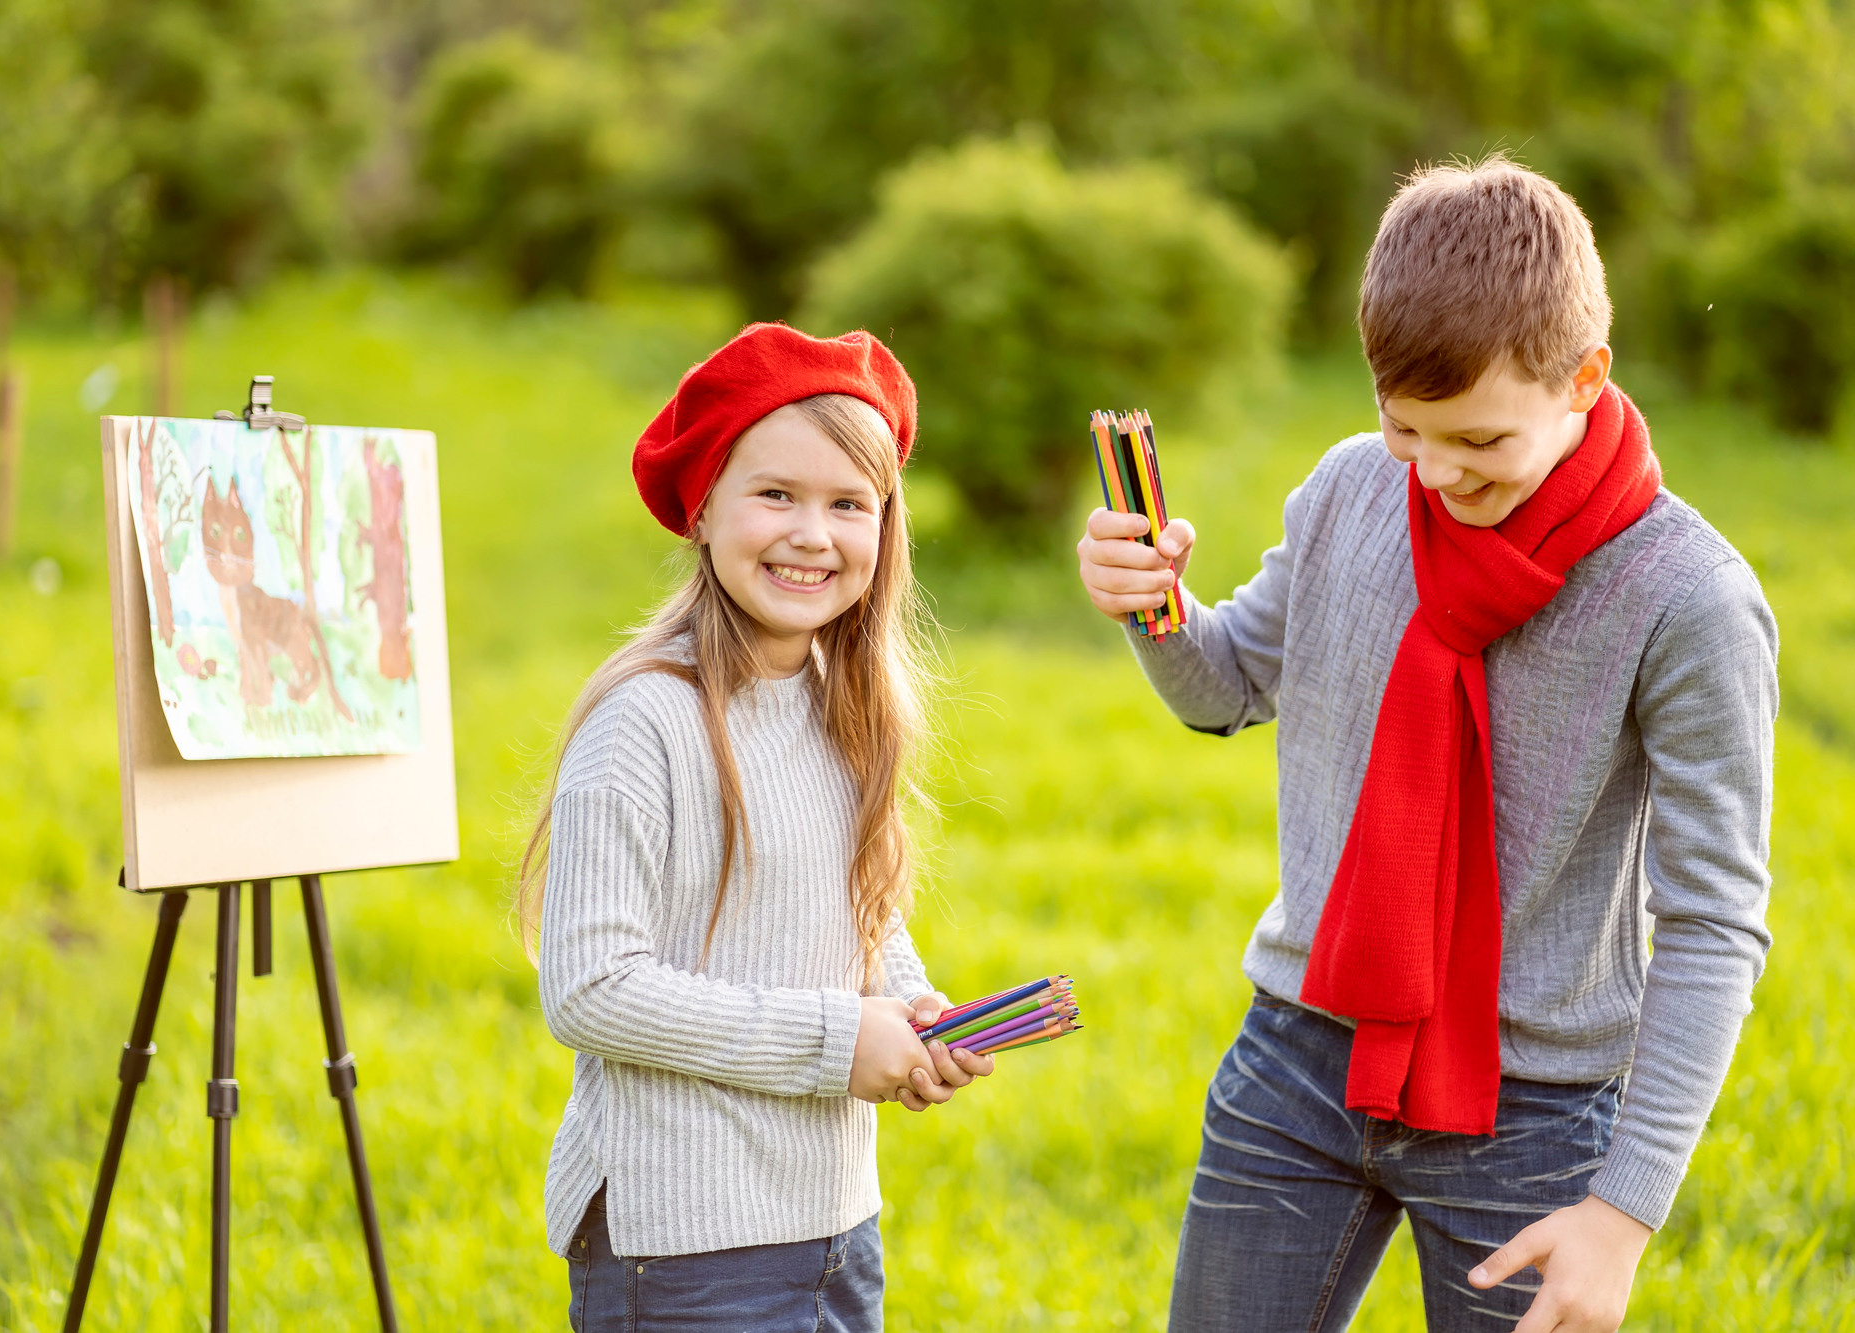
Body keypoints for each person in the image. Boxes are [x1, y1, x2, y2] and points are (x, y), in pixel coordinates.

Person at [1077, 157, 1776, 1332]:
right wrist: (1152, 606)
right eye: (1405, 428)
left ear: (1582, 378)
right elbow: (1228, 686)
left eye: (1480, 441)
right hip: (1299, 1054)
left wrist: (1622, 1213)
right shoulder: (1351, 490)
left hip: (1534, 1110)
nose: (1440, 473)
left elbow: (1712, 920)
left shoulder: (1686, 597)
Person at [518, 322, 993, 1332]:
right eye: (774, 494)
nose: (811, 534)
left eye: (846, 505)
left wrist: (905, 1010)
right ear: (701, 511)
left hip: (831, 1223)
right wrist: (835, 1039)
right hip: (686, 1247)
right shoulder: (643, 722)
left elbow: (849, 907)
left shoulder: (837, 704)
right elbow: (590, 988)